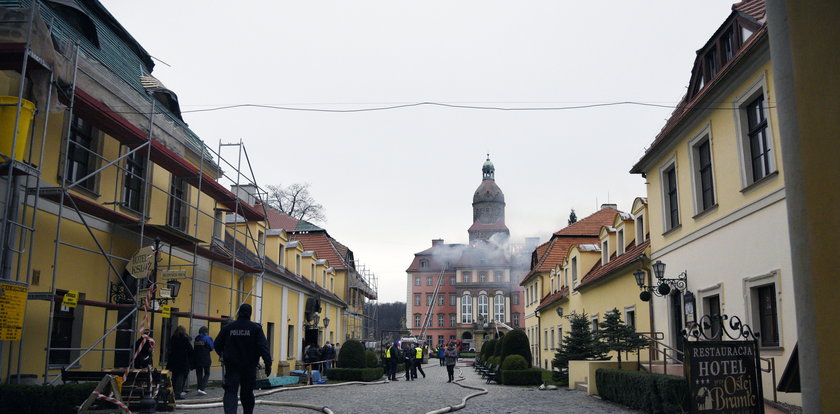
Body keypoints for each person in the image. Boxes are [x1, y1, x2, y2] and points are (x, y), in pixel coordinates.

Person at [215, 304, 272, 414]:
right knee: (247, 393)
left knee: (230, 392)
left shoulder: (228, 327)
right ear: (250, 314)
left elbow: (217, 344)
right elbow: (263, 347)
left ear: (239, 312)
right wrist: (267, 364)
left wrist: (224, 355)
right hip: (249, 367)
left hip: (232, 366)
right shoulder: (256, 328)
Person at [166, 325, 193, 399]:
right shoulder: (184, 339)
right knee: (180, 378)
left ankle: (171, 392)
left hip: (172, 360)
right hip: (182, 361)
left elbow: (168, 348)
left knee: (173, 377)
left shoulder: (173, 338)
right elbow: (190, 349)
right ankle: (177, 393)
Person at [193, 326, 214, 395]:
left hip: (197, 359)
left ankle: (199, 388)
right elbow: (212, 347)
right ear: (206, 331)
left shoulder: (196, 338)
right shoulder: (208, 338)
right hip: (205, 358)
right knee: (207, 373)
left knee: (199, 374)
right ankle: (202, 388)